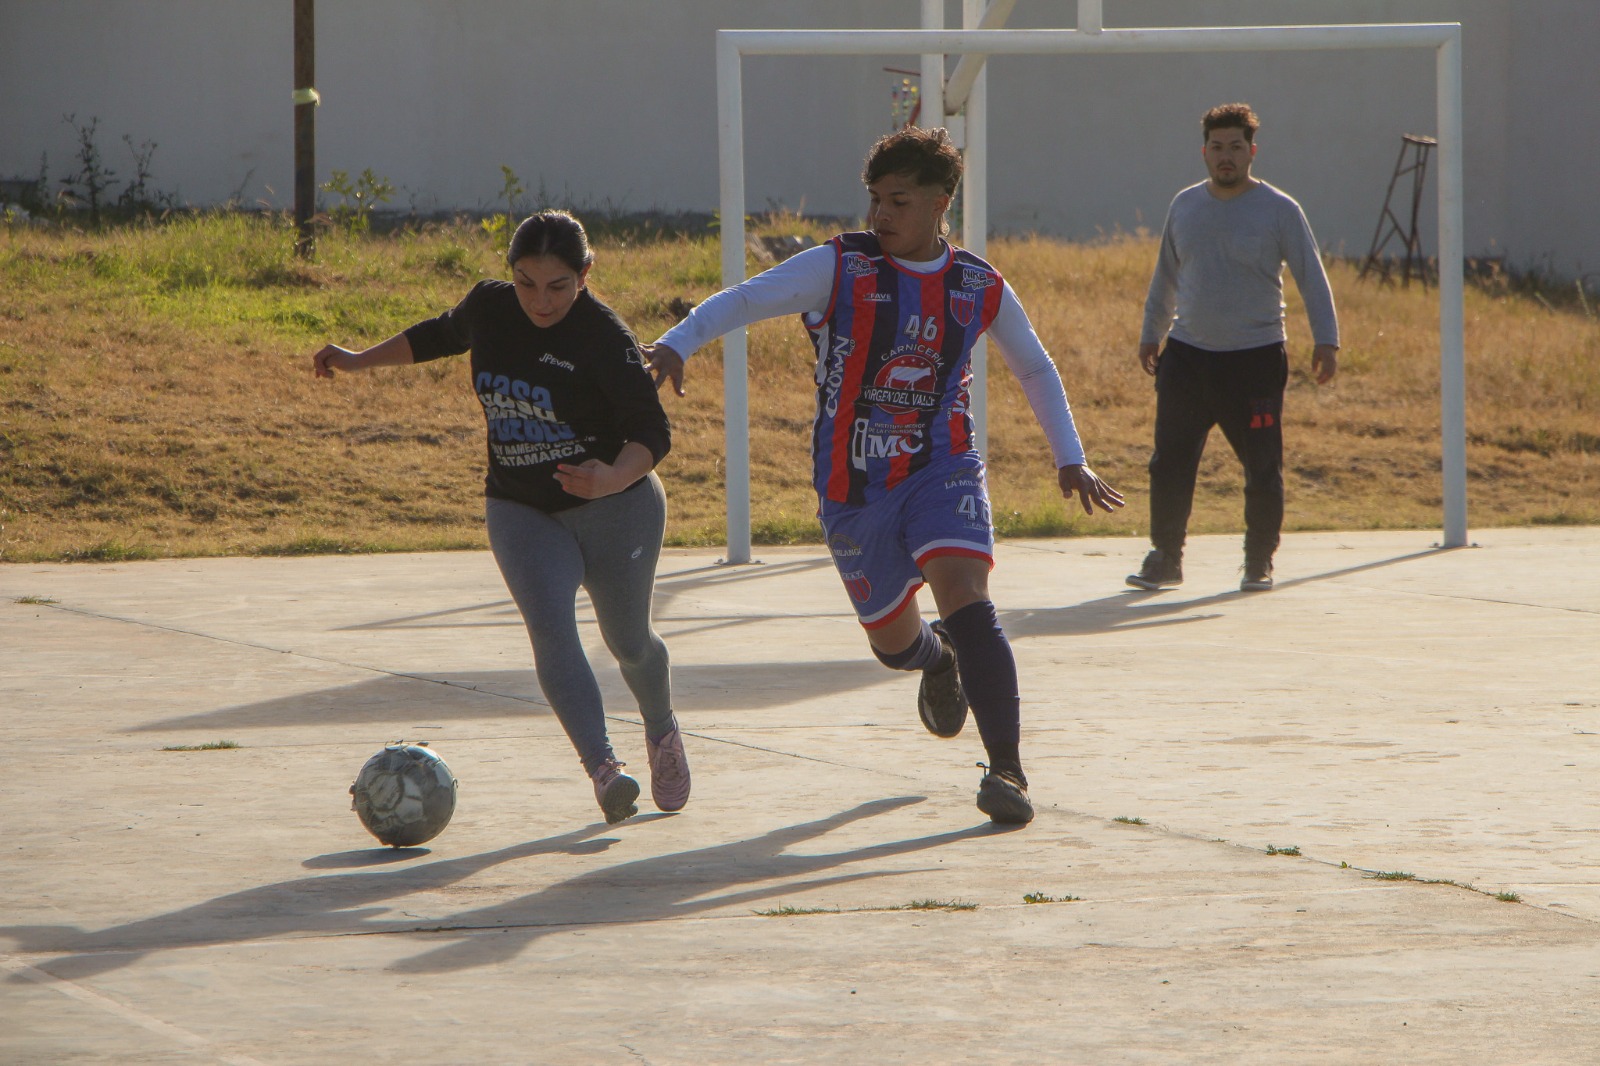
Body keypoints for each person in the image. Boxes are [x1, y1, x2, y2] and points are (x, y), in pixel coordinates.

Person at [644, 127, 1123, 826]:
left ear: (940, 203)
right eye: (874, 199)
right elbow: (745, 300)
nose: (881, 215)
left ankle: (1008, 771)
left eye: (898, 200)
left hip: (942, 465)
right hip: (853, 486)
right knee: (892, 644)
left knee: (966, 592)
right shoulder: (842, 267)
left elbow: (1035, 366)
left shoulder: (977, 284)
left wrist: (1069, 455)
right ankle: (935, 661)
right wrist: (679, 341)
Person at [312, 210, 686, 825]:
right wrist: (356, 361)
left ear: (586, 274)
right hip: (521, 505)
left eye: (558, 286)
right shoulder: (490, 307)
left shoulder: (602, 336)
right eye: (525, 282)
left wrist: (612, 477)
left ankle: (662, 730)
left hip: (615, 507)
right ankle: (605, 770)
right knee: (551, 628)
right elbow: (437, 335)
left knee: (630, 643)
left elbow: (653, 431)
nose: (540, 299)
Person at [1129, 102, 1339, 594]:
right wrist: (1149, 333)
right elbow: (1165, 276)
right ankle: (1165, 558)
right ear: (1204, 152)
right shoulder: (1184, 205)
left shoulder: (1280, 210)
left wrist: (1327, 340)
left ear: (1252, 152)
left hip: (1255, 361)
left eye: (1236, 148)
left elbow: (1312, 276)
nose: (1226, 157)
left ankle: (1258, 560)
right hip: (1187, 357)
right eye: (1218, 148)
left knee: (1263, 464)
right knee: (1169, 461)